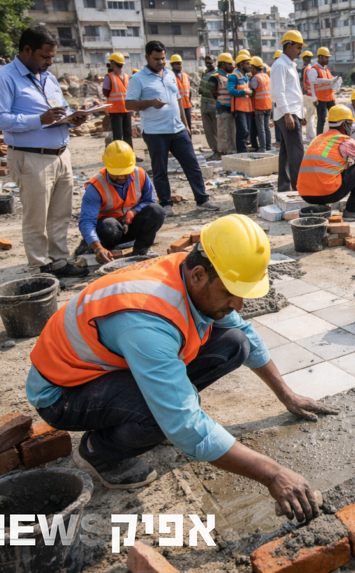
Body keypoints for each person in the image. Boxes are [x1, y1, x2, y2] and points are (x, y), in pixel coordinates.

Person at [28, 213, 337, 511]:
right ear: (200, 275)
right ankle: (100, 451)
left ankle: (140, 421)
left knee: (235, 344)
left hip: (112, 368)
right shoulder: (148, 320)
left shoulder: (188, 270)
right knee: (160, 412)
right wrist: (273, 474)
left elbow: (245, 332)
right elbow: (184, 424)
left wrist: (287, 394)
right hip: (64, 393)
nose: (238, 304)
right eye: (232, 292)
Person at [0, 26, 89, 278]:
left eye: (52, 57)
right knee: (37, 217)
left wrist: (71, 118)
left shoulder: (48, 78)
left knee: (60, 214)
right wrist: (38, 120)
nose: (49, 62)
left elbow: (59, 109)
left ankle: (59, 261)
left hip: (61, 154)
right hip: (30, 156)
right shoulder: (3, 78)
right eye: (45, 56)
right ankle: (40, 267)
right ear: (27, 50)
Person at [125, 41, 220, 217]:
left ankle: (202, 200)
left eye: (162, 58)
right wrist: (150, 103)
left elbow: (178, 101)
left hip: (177, 129)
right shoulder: (138, 79)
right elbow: (128, 103)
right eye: (156, 59)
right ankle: (166, 203)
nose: (160, 62)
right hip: (155, 132)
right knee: (160, 169)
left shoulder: (169, 75)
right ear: (146, 57)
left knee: (192, 164)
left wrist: (185, 125)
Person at [78, 141, 164, 264]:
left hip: (129, 227)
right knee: (109, 227)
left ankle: (141, 250)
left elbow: (149, 201)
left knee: (156, 211)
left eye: (125, 172)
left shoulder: (140, 175)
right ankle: (96, 247)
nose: (121, 177)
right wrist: (97, 248)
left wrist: (133, 212)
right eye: (116, 173)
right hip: (107, 230)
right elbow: (86, 221)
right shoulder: (96, 185)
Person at [298, 105, 355, 221]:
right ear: (344, 125)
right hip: (328, 193)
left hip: (305, 194)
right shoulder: (345, 140)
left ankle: (321, 205)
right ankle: (352, 211)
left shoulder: (317, 139)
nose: (351, 127)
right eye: (349, 124)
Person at [272, 30, 306, 192]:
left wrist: (302, 113)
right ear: (289, 46)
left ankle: (284, 187)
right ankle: (299, 185)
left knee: (286, 151)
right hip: (288, 113)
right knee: (297, 150)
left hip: (293, 112)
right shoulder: (280, 65)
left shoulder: (289, 65)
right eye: (299, 47)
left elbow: (294, 92)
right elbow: (279, 92)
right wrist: (287, 114)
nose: (301, 51)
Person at [103, 53, 133, 147]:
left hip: (119, 110)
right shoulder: (127, 77)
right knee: (126, 134)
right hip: (123, 110)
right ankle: (125, 155)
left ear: (113, 63)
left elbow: (105, 93)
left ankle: (127, 155)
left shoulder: (109, 77)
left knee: (119, 135)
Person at [304, 47, 336, 139]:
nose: (328, 59)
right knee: (321, 120)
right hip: (321, 99)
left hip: (330, 98)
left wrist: (335, 81)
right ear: (320, 57)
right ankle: (319, 139)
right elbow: (314, 81)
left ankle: (331, 136)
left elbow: (330, 81)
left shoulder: (326, 69)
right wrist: (329, 81)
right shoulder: (314, 69)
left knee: (335, 118)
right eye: (326, 57)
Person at [228, 53, 255, 153]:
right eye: (247, 64)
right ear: (241, 65)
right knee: (242, 131)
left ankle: (243, 150)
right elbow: (230, 91)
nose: (249, 66)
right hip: (239, 108)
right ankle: (242, 152)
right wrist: (245, 92)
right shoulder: (234, 76)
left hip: (247, 108)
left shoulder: (246, 76)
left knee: (246, 131)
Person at [212, 53, 237, 155]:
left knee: (231, 131)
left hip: (231, 108)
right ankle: (224, 152)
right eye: (230, 64)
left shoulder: (229, 76)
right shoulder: (215, 77)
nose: (232, 66)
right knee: (223, 132)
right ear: (223, 64)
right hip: (222, 108)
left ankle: (231, 151)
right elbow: (210, 93)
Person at [247, 56, 272, 152]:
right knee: (267, 128)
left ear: (253, 67)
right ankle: (268, 146)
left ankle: (263, 147)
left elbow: (251, 89)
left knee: (261, 129)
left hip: (259, 106)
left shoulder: (255, 78)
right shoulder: (266, 76)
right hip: (268, 105)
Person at [198, 56, 221, 160]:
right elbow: (200, 90)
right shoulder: (205, 73)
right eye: (207, 63)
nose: (209, 64)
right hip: (204, 102)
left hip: (213, 103)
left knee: (217, 128)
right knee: (208, 129)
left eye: (210, 62)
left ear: (215, 62)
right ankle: (215, 150)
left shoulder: (217, 73)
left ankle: (220, 150)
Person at [170, 54, 193, 132]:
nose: (179, 65)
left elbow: (189, 91)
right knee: (178, 128)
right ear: (172, 65)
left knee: (188, 127)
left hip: (187, 105)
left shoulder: (186, 76)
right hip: (176, 106)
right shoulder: (170, 76)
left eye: (180, 63)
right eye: (177, 64)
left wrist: (189, 101)